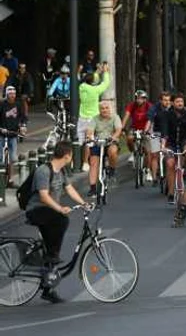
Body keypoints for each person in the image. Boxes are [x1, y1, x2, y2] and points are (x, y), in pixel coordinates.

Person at [25, 141, 88, 303]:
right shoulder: (44, 171)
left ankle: (48, 287)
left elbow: (69, 188)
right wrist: (60, 208)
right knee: (61, 220)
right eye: (71, 156)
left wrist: (84, 203)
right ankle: (51, 256)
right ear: (67, 156)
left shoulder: (61, 171)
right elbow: (44, 196)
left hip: (49, 211)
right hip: (36, 210)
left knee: (56, 231)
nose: (71, 158)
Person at [161, 94, 186, 204]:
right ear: (172, 103)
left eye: (181, 101)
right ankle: (171, 192)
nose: (180, 103)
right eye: (177, 101)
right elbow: (164, 132)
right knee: (170, 163)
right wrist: (163, 146)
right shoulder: (166, 115)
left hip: (184, 141)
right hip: (171, 143)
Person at [78, 63, 111, 172]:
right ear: (93, 82)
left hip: (81, 117)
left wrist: (98, 71)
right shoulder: (95, 90)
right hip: (92, 118)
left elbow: (90, 79)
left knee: (80, 141)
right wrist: (105, 72)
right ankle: (85, 162)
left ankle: (76, 162)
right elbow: (105, 84)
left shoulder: (82, 87)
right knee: (89, 141)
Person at [0, 86, 27, 186]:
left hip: (13, 133)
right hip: (2, 133)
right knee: (1, 157)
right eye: (10, 94)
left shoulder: (19, 104)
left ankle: (10, 179)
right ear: (6, 94)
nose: (12, 96)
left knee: (12, 158)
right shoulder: (2, 104)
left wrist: (23, 126)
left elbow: (23, 117)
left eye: (13, 94)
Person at [122, 90, 152, 169]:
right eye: (137, 98)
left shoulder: (149, 106)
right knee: (129, 138)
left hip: (146, 129)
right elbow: (126, 116)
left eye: (141, 98)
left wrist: (148, 130)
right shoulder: (132, 105)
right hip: (134, 127)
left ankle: (148, 170)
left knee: (147, 149)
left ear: (145, 99)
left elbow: (151, 119)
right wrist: (122, 127)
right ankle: (133, 152)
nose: (139, 100)